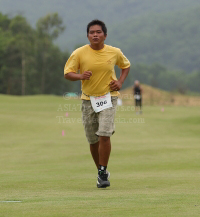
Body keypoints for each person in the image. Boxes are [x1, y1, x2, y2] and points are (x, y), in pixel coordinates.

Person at [64, 19, 130, 188]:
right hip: (88, 99)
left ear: (105, 36)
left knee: (104, 134)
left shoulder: (114, 52)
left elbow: (126, 66)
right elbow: (67, 73)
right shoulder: (79, 53)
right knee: (93, 140)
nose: (95, 35)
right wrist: (80, 76)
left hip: (109, 97)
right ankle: (101, 172)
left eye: (98, 32)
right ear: (87, 36)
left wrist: (120, 82)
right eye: (92, 32)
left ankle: (102, 171)